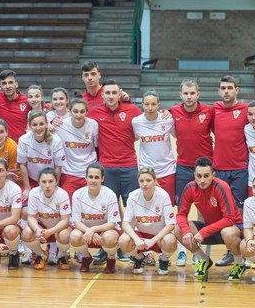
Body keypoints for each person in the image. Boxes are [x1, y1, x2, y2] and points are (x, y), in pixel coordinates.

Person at [86, 79, 142, 264]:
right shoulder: (94, 113)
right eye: (107, 93)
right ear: (102, 95)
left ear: (120, 94)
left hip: (129, 167)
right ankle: (106, 247)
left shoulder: (133, 111)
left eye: (114, 93)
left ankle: (130, 247)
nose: (110, 96)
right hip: (107, 168)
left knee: (131, 210)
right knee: (107, 211)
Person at [175, 157, 245, 281]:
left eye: (206, 176)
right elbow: (181, 215)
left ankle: (239, 263)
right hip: (212, 228)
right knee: (178, 229)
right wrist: (186, 231)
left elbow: (229, 218)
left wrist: (203, 232)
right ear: (194, 175)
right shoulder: (189, 188)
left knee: (227, 232)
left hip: (234, 228)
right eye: (199, 176)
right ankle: (204, 259)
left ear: (213, 175)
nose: (202, 180)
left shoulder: (221, 187)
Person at [170, 79, 214, 266]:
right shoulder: (172, 112)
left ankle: (198, 249)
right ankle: (182, 251)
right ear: (180, 95)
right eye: (185, 93)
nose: (189, 97)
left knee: (202, 211)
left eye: (192, 93)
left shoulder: (209, 112)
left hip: (204, 169)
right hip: (183, 167)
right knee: (182, 210)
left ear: (198, 94)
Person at [132, 90, 176, 265]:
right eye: (146, 104)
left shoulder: (167, 119)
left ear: (159, 105)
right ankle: (147, 251)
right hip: (146, 172)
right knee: (144, 211)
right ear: (142, 105)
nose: (150, 108)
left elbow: (178, 135)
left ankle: (173, 249)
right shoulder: (136, 122)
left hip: (167, 171)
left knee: (168, 212)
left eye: (153, 104)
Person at [17, 110, 65, 264]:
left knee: (53, 212)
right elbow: (23, 165)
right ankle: (30, 250)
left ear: (46, 124)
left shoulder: (55, 140)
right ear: (29, 126)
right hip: (31, 180)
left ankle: (52, 248)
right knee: (25, 212)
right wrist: (27, 188)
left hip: (50, 180)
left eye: (41, 124)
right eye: (35, 124)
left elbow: (58, 166)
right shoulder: (24, 140)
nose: (38, 127)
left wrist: (54, 185)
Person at [212, 76, 249, 267]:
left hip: (241, 169)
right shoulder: (215, 110)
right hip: (219, 169)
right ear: (219, 92)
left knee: (240, 211)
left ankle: (245, 251)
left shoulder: (246, 110)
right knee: (225, 213)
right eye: (223, 88)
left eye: (229, 88)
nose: (226, 91)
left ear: (237, 90)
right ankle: (231, 251)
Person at [119, 167, 177, 275]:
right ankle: (139, 258)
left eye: (148, 180)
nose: (145, 184)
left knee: (170, 241)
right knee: (123, 240)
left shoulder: (163, 195)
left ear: (155, 181)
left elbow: (171, 224)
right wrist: (136, 239)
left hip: (159, 237)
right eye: (141, 181)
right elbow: (125, 223)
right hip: (141, 236)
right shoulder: (133, 196)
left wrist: (153, 240)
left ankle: (163, 259)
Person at [70, 162, 120, 273]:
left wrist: (93, 230)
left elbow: (112, 224)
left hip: (105, 231)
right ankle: (86, 257)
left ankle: (111, 258)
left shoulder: (110, 194)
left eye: (97, 177)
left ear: (102, 179)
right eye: (90, 177)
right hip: (85, 231)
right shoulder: (78, 194)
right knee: (74, 236)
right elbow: (77, 222)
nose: (93, 180)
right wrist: (89, 231)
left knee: (109, 238)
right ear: (86, 178)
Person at [21, 168, 71, 270]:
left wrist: (50, 231)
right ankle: (41, 254)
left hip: (58, 228)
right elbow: (30, 217)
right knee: (26, 234)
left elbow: (65, 220)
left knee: (64, 235)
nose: (47, 185)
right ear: (39, 182)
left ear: (56, 182)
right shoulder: (34, 192)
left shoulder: (62, 194)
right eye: (44, 182)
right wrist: (37, 230)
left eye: (51, 181)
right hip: (42, 227)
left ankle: (61, 256)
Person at [56, 98, 98, 202]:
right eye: (75, 111)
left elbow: (97, 145)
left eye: (82, 111)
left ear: (87, 112)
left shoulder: (93, 124)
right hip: (68, 173)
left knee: (88, 206)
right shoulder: (60, 125)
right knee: (68, 207)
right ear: (69, 111)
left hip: (88, 173)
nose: (78, 115)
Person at [0, 70, 30, 143]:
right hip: (4, 147)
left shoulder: (26, 101)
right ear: (0, 86)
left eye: (10, 82)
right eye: (4, 83)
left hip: (23, 146)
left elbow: (40, 106)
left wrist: (47, 106)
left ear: (16, 84)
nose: (7, 86)